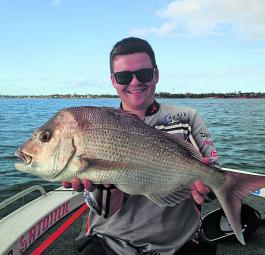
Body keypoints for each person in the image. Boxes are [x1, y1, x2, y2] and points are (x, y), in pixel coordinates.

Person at [63, 37, 221, 255]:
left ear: (156, 74)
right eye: (124, 76)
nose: (135, 82)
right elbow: (105, 210)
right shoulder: (96, 125)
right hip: (109, 239)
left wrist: (207, 188)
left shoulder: (187, 118)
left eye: (144, 74)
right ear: (113, 80)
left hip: (177, 242)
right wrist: (103, 187)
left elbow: (214, 183)